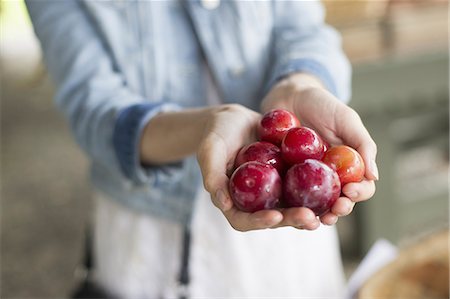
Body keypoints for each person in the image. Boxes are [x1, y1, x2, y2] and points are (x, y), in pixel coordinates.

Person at [26, 0, 378, 298]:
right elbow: (93, 109)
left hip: (292, 217)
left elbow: (303, 30)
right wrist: (205, 127)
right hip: (152, 231)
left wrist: (300, 84)